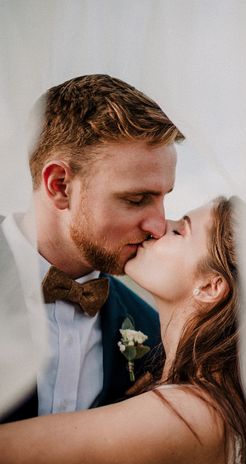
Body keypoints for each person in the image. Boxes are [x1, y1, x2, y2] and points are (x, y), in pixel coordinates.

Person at [0, 197, 246, 464]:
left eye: (179, 230)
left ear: (210, 287)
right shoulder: (212, 401)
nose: (158, 227)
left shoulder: (189, 418)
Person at [0, 74, 183, 422]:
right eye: (136, 199)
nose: (158, 226)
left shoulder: (155, 334)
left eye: (162, 198)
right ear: (60, 185)